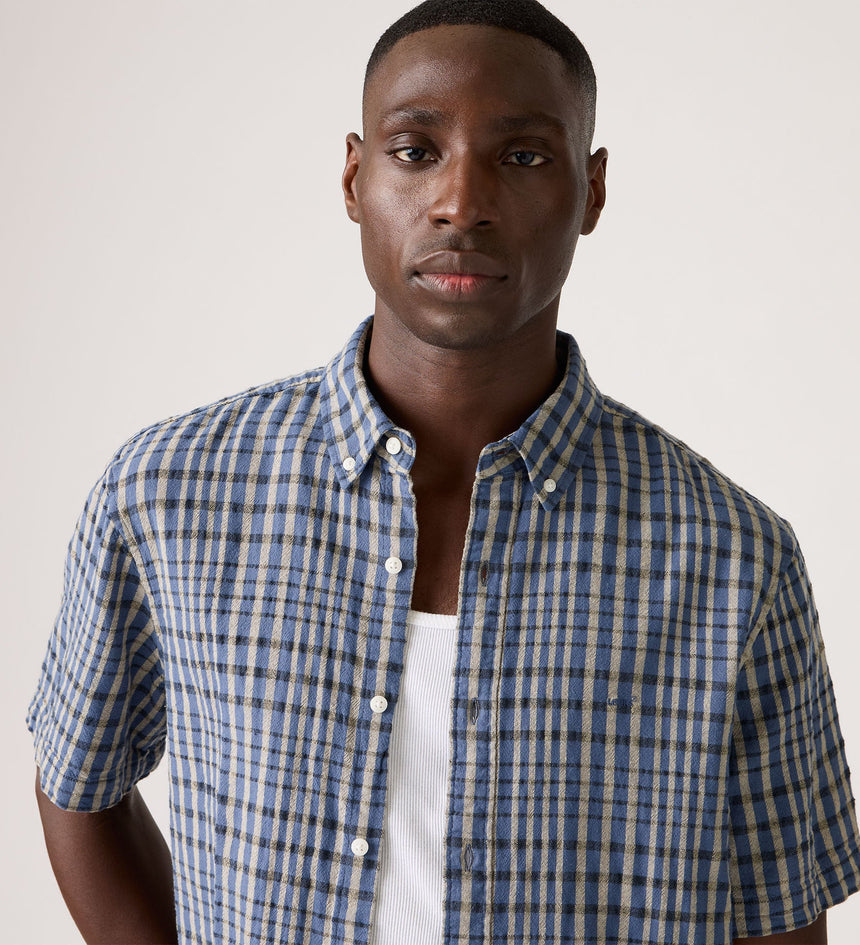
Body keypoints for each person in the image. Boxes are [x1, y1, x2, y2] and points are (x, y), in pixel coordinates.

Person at [28, 1, 860, 943]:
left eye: (524, 155)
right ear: (355, 177)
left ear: (591, 192)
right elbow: (78, 779)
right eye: (416, 150)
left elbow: (782, 914)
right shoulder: (168, 495)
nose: (462, 201)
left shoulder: (735, 561)